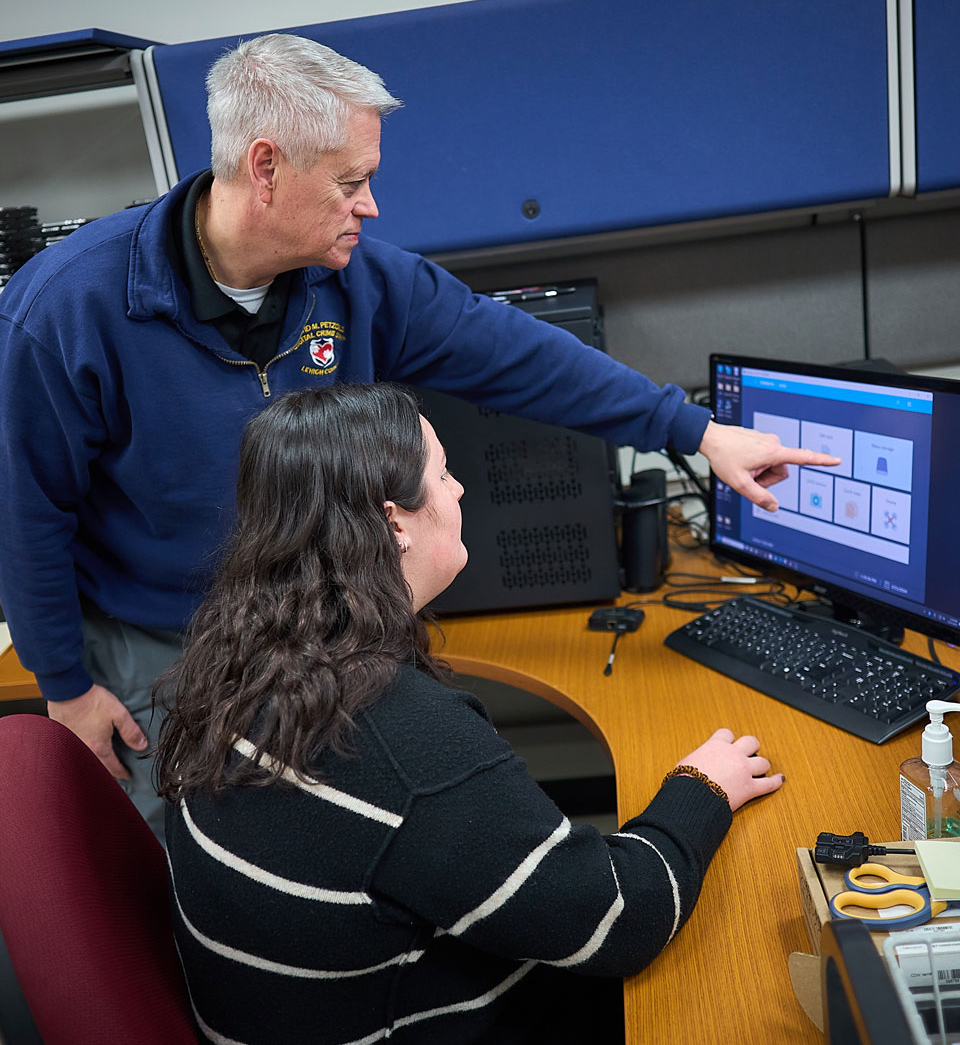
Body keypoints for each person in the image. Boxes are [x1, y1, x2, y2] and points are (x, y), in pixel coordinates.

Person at [0, 33, 837, 839]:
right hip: (164, 646)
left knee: (357, 851)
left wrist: (694, 431)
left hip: (325, 635)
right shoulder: (69, 309)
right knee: (200, 871)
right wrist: (66, 687)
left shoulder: (353, 279)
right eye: (350, 181)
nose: (371, 204)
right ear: (266, 168)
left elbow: (513, 352)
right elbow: (24, 509)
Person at [156, 383, 784, 1045]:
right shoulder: (403, 744)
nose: (458, 491)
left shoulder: (239, 661)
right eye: (444, 473)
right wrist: (702, 786)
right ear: (394, 521)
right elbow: (621, 922)